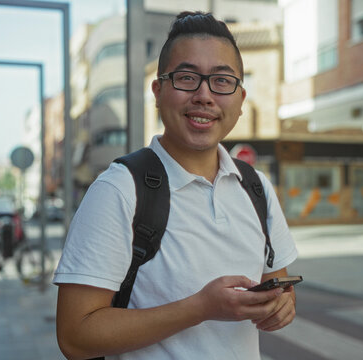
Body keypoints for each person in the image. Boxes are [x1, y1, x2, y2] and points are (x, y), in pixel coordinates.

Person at [54, 11, 299, 360]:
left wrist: (281, 307)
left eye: (222, 81)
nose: (204, 95)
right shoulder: (119, 190)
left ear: (241, 99)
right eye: (187, 78)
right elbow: (75, 337)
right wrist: (200, 307)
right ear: (158, 91)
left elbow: (282, 287)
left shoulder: (256, 187)